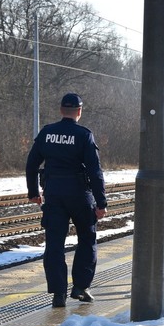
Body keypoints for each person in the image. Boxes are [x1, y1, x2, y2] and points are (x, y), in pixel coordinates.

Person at [26, 93, 108, 308]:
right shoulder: (83, 135)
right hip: (80, 196)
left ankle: (58, 293)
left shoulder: (46, 133)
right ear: (79, 111)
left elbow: (31, 164)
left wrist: (34, 192)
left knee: (54, 245)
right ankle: (80, 287)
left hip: (53, 195)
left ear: (61, 110)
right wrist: (101, 203)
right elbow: (95, 171)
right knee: (87, 240)